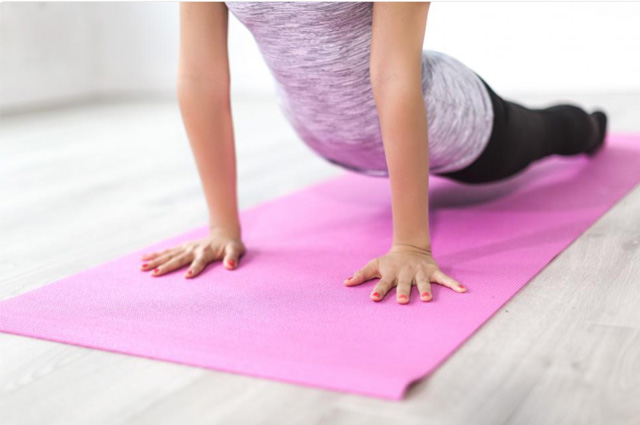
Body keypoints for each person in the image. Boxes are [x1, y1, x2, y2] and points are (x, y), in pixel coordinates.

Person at [139, 2, 607, 304]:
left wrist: (410, 246)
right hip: (330, 136)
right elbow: (201, 78)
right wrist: (223, 227)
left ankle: (588, 127)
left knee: (551, 130)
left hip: (454, 124)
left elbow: (394, 76)